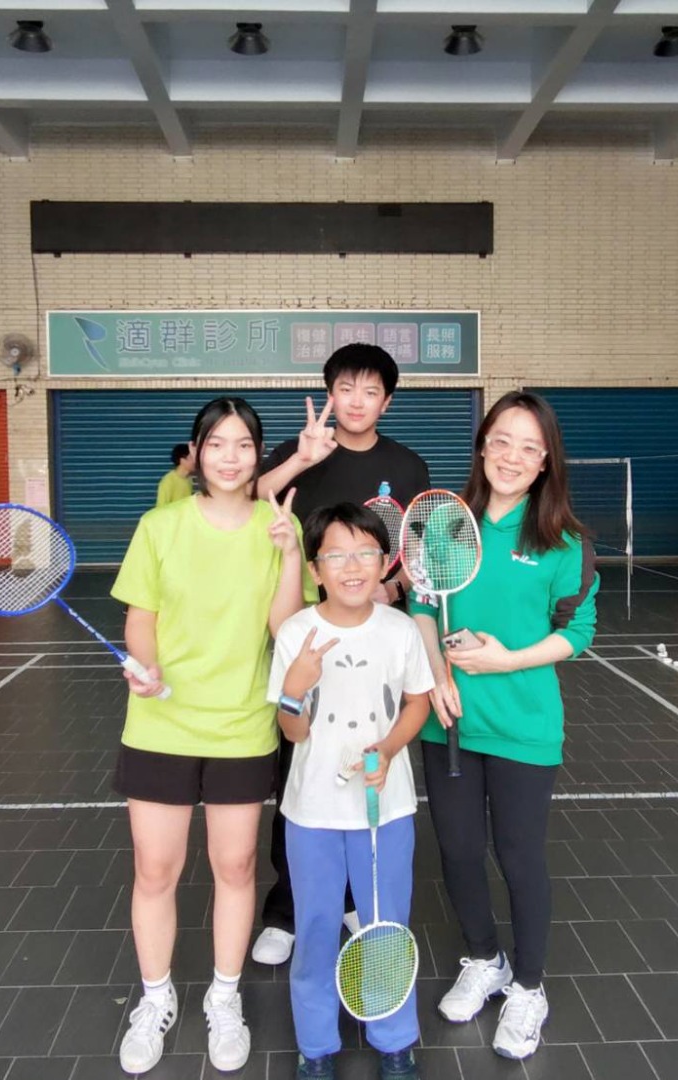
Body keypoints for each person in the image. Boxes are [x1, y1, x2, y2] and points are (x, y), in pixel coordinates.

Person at [111, 397, 315, 1076]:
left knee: (236, 867)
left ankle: (223, 999)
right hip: (160, 724)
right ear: (197, 452)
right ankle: (155, 998)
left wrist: (290, 555)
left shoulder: (278, 523)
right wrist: (145, 664)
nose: (230, 457)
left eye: (244, 444)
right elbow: (141, 616)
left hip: (240, 725)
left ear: (258, 453)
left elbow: (284, 629)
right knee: (154, 870)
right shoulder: (159, 525)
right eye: (217, 443)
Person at [411, 391, 598, 1061]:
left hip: (523, 724)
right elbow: (422, 605)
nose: (512, 457)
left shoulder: (564, 542)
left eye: (528, 447)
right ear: (482, 446)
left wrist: (506, 660)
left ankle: (528, 986)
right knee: (458, 850)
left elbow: (577, 630)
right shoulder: (446, 527)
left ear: (546, 461)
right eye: (501, 441)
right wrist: (436, 672)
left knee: (518, 856)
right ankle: (483, 958)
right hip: (450, 721)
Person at [251, 343, 430, 966]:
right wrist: (299, 459)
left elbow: (416, 553)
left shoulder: (408, 466)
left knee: (365, 763)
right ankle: (287, 909)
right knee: (300, 767)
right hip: (304, 631)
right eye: (346, 389)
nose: (357, 402)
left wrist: (390, 588)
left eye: (371, 391)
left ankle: (353, 901)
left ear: (387, 401)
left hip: (375, 636)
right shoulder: (302, 451)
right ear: (329, 394)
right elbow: (248, 502)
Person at [269, 503, 434, 1080]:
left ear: (385, 563)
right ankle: (316, 1046)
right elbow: (293, 732)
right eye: (336, 555)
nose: (352, 566)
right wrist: (295, 689)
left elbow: (417, 703)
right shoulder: (297, 633)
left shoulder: (400, 630)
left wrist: (387, 750)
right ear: (315, 569)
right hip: (312, 811)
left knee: (385, 923)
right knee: (315, 927)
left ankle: (394, 1039)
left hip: (386, 808)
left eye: (365, 552)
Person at [155, 442, 195, 507]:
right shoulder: (168, 481)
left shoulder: (189, 479)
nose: (195, 461)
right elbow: (161, 508)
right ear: (182, 460)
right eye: (191, 458)